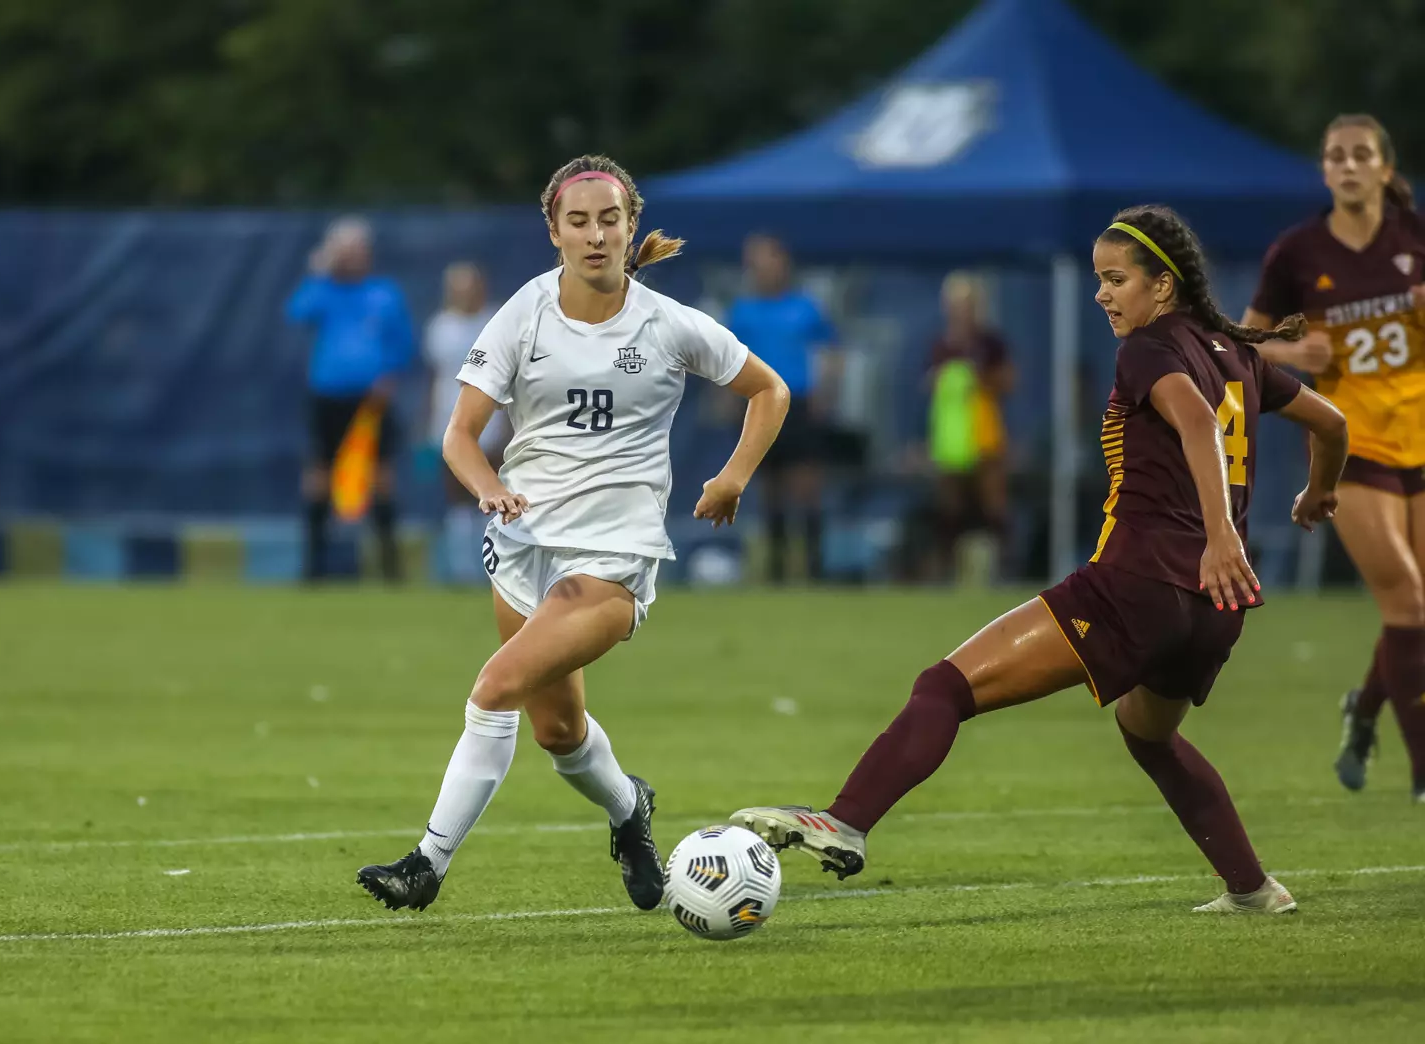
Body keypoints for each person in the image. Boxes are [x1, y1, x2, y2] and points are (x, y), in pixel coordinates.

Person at [729, 206, 1348, 914]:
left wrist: (1221, 535)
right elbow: (1332, 424)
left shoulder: (1150, 348)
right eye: (1098, 280)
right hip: (1214, 610)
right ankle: (1252, 888)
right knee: (1149, 735)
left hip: (1141, 585)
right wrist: (1317, 492)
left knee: (945, 687)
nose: (1102, 294)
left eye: (1116, 279)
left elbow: (1200, 423)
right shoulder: (1238, 354)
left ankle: (846, 820)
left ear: (1163, 286)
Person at [356, 155, 789, 911]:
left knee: (493, 689)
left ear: (632, 228)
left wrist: (732, 477)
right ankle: (630, 812)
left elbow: (769, 389)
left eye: (610, 219)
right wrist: (490, 489)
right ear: (553, 231)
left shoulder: (666, 323)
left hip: (616, 555)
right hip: (526, 546)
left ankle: (425, 864)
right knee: (558, 731)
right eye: (579, 221)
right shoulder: (525, 311)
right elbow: (460, 434)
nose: (596, 235)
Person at [1242, 113, 1425, 802]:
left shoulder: (1415, 239)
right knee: (1406, 599)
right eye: (1335, 157)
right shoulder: (1297, 252)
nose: (1347, 166)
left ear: (1384, 168)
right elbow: (1241, 343)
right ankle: (1422, 774)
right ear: (1325, 172)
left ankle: (1365, 708)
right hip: (1354, 443)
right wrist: (1293, 353)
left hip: (1421, 437)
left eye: (1360, 156)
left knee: (1416, 612)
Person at [286, 218, 416, 581]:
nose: (351, 257)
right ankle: (314, 568)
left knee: (380, 476)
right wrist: (320, 269)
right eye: (344, 251)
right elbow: (297, 312)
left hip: (371, 400)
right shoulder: (323, 291)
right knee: (318, 475)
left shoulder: (384, 293)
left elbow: (402, 342)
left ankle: (391, 568)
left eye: (356, 250)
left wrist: (389, 375)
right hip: (327, 396)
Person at [725, 234, 839, 583]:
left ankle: (815, 568)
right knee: (769, 487)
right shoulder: (742, 312)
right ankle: (776, 570)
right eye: (754, 262)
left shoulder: (805, 307)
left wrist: (826, 392)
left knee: (806, 485)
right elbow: (728, 360)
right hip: (759, 405)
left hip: (798, 404)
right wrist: (731, 400)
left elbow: (832, 351)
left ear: (782, 263)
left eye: (766, 260)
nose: (760, 269)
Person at [423, 262, 509, 583]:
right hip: (450, 417)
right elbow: (434, 377)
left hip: (493, 418)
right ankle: (462, 567)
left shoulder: (496, 321)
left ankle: (497, 564)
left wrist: (511, 423)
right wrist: (430, 418)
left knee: (494, 491)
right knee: (457, 496)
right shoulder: (440, 326)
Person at [927, 271, 1015, 582]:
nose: (959, 309)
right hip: (951, 438)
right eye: (954, 303)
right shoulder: (941, 346)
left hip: (984, 433)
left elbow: (1007, 382)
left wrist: (978, 379)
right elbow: (930, 387)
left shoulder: (990, 344)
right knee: (950, 507)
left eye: (965, 303)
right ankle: (946, 574)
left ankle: (1004, 572)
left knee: (993, 504)